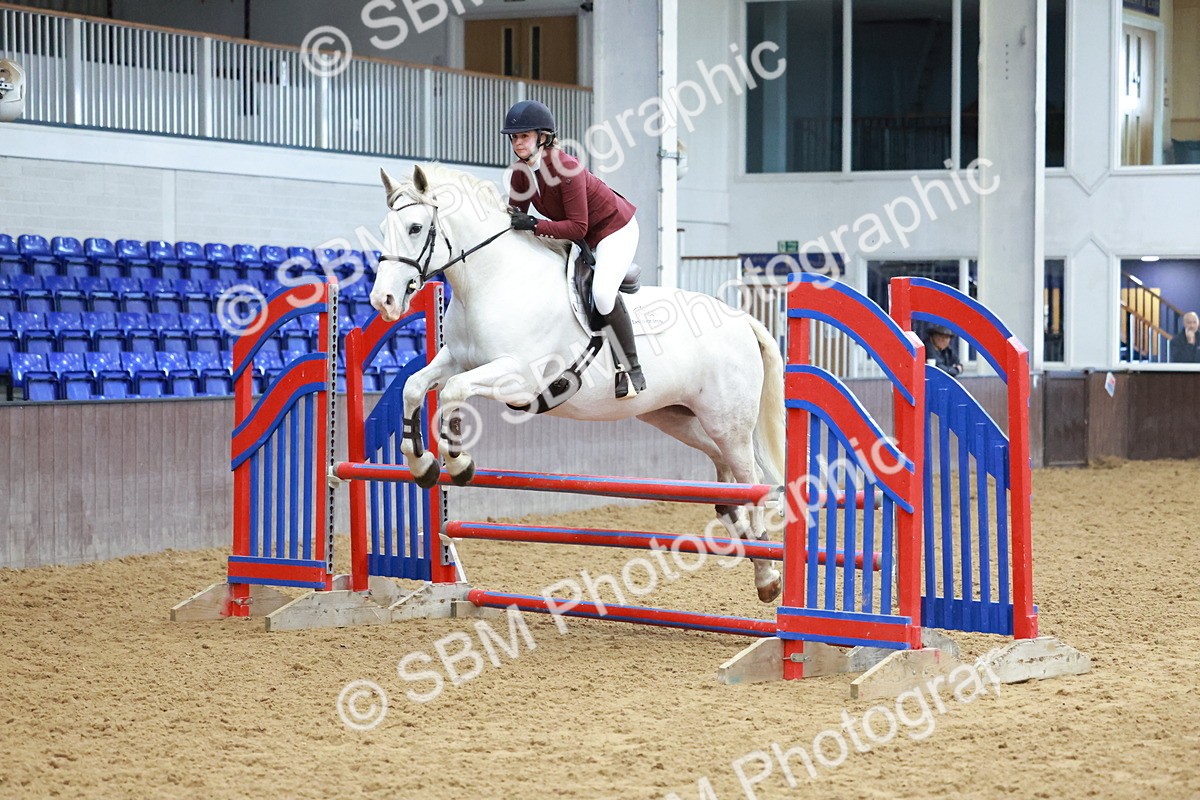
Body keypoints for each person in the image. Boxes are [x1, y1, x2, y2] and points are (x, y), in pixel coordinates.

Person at [501, 99, 646, 398]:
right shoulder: (520, 173)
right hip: (580, 236)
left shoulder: (566, 167)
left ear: (542, 137)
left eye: (524, 136)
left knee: (603, 294)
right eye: (514, 137)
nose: (517, 143)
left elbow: (577, 226)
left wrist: (535, 225)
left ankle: (631, 371)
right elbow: (515, 216)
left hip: (613, 228)